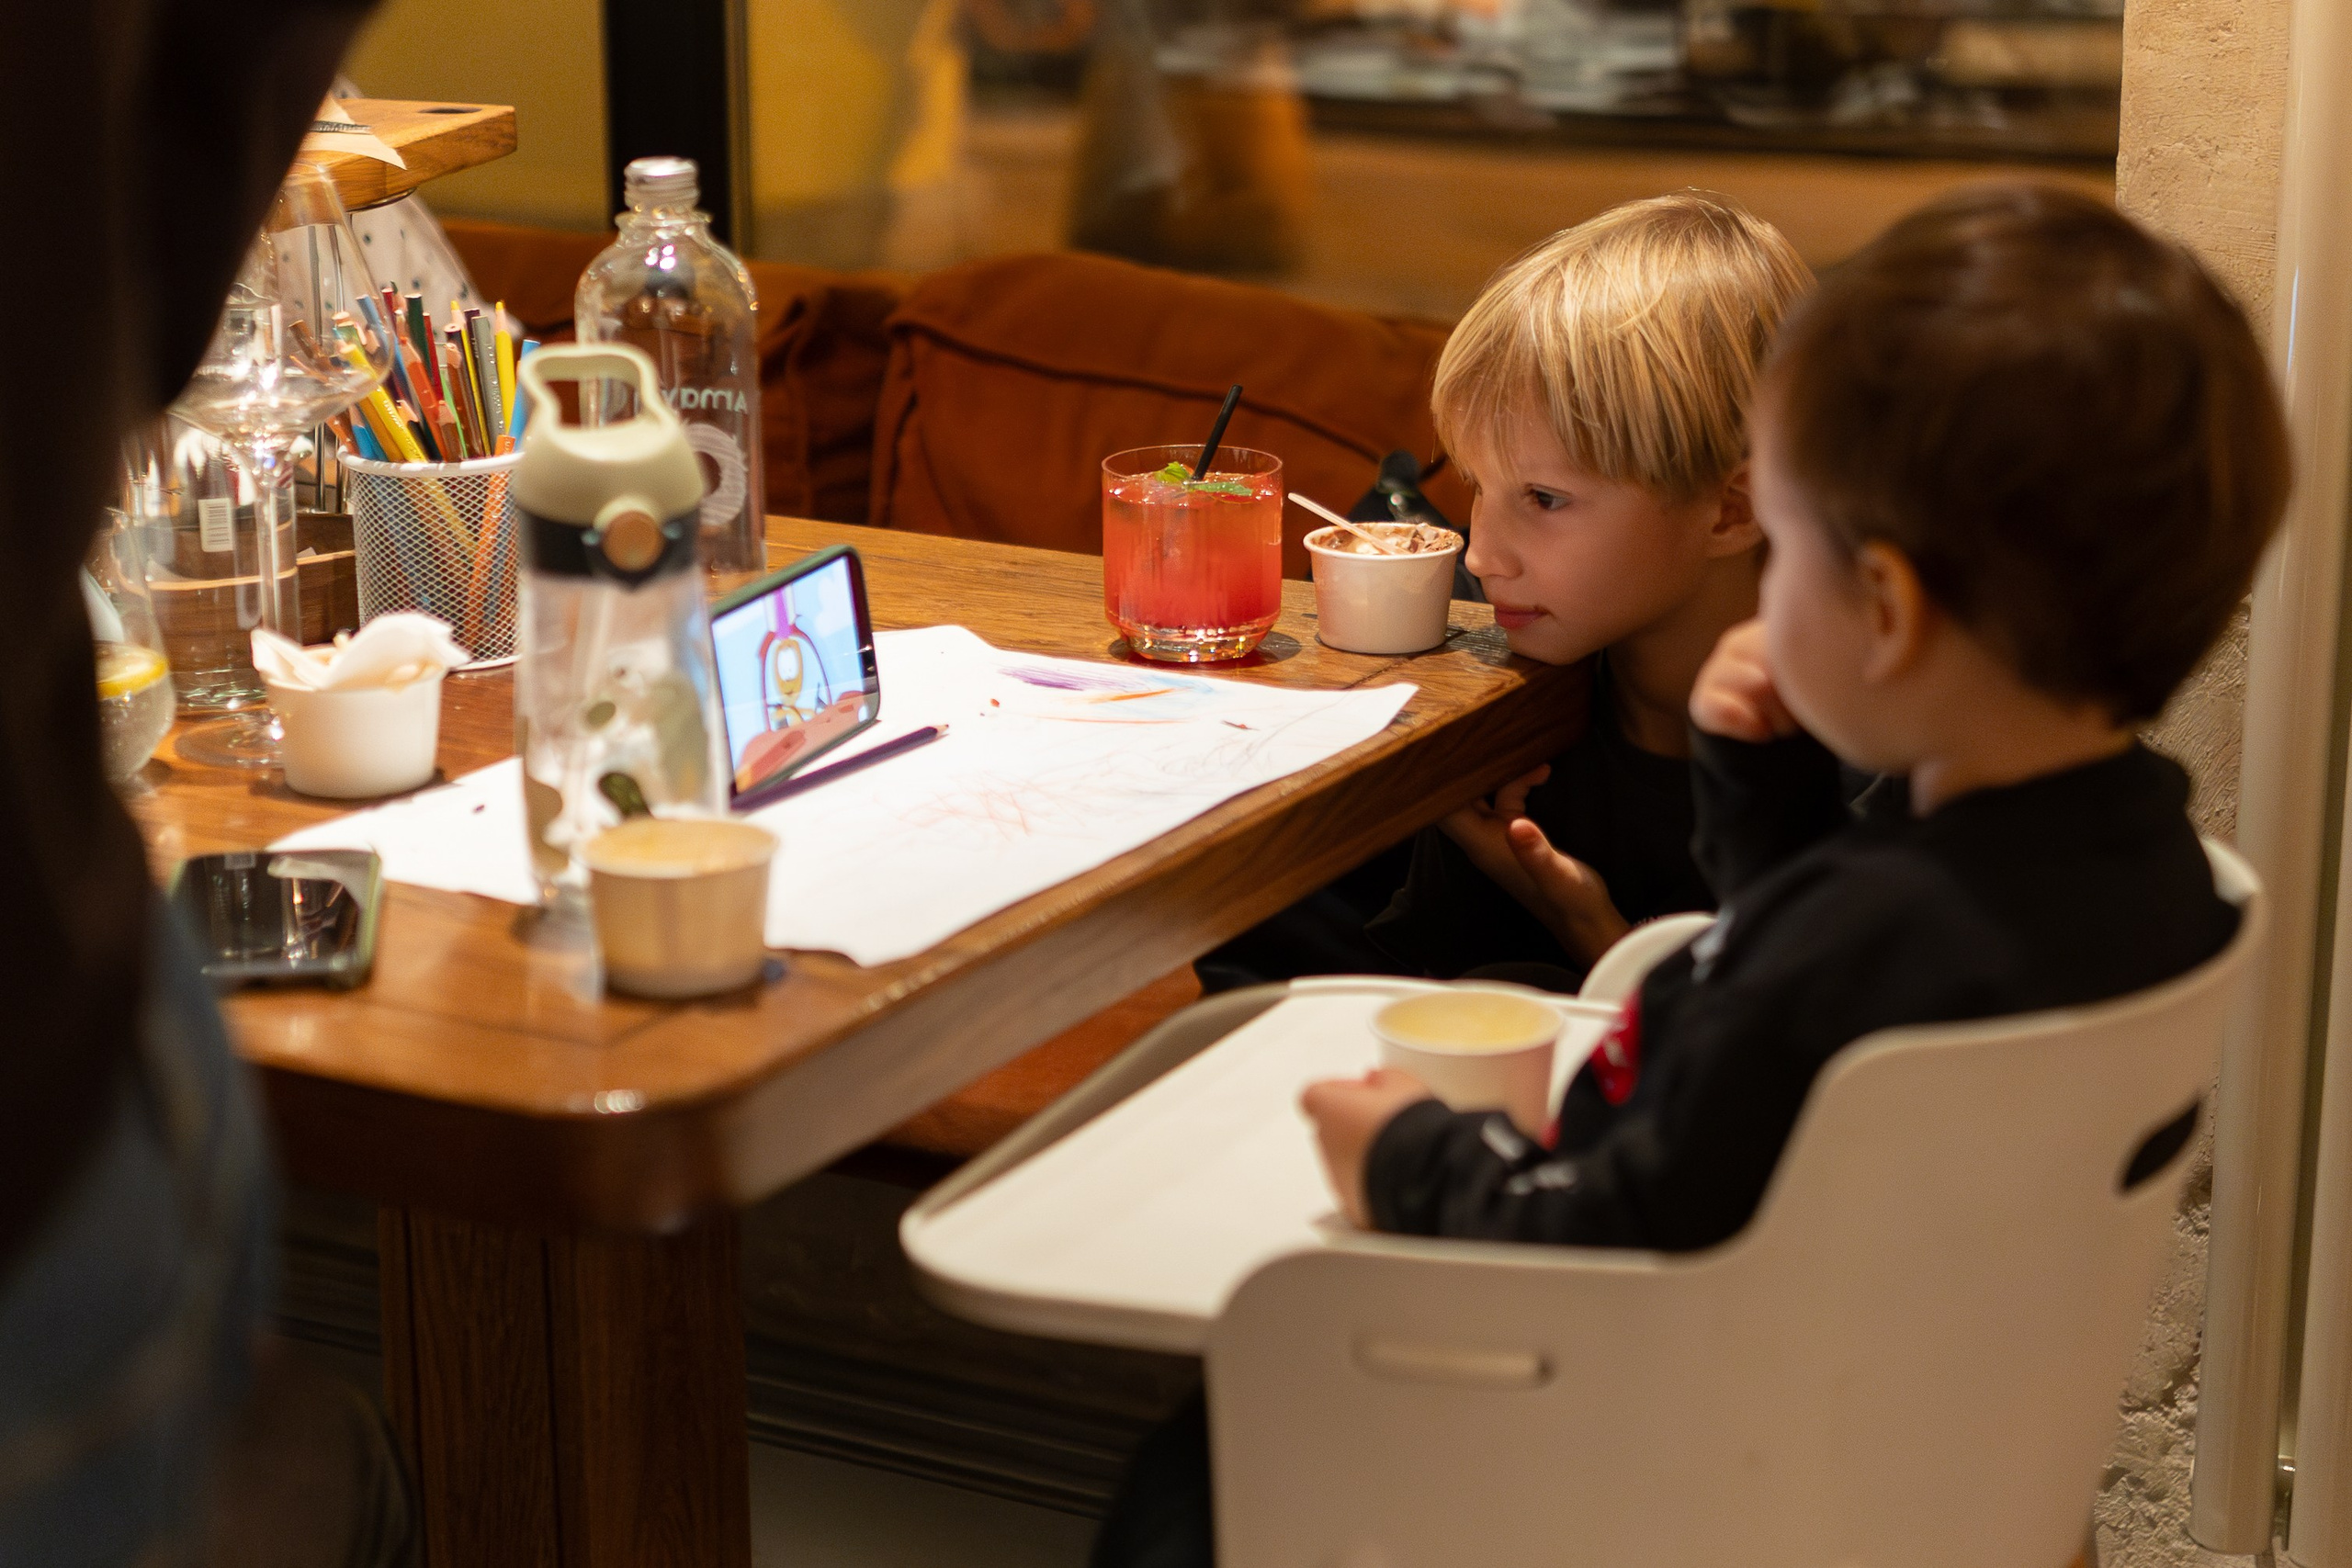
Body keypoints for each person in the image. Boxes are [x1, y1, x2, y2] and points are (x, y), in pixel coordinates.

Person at [1093, 181, 2288, 1567]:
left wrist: (1412, 1156)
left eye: (1794, 540)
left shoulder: (1853, 939)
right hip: (1917, 1426)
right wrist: (1759, 786)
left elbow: (1612, 1221)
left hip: (1697, 1436)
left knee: (1213, 1455)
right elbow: (1795, 964)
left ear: (1882, 607)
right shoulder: (2155, 860)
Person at [1199, 193, 1814, 994]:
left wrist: (1590, 931)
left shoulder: (1863, 763)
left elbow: (1815, 1062)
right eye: (1479, 488)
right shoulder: (1510, 729)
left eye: (1546, 499)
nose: (1482, 553)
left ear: (1732, 509)